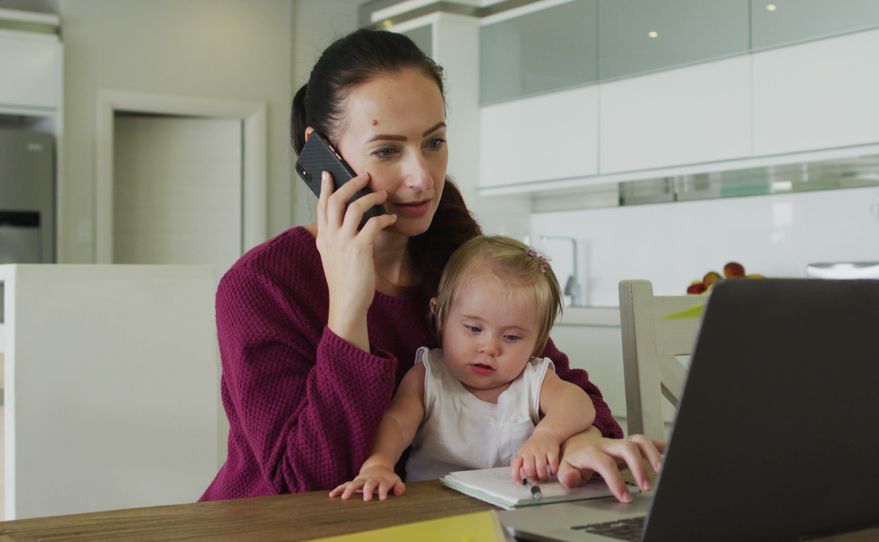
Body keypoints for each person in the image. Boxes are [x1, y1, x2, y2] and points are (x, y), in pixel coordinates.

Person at [200, 28, 662, 504]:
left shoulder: (460, 252)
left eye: (434, 142)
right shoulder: (260, 286)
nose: (422, 177)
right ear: (322, 153)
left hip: (429, 526)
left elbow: (554, 382)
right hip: (269, 537)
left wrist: (580, 441)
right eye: (386, 150)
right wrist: (348, 311)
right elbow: (307, 485)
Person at [330, 236, 597, 501]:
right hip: (434, 507)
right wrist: (378, 466)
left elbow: (577, 403)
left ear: (538, 342)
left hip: (516, 509)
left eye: (512, 337)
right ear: (440, 316)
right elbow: (397, 424)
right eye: (473, 328)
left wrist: (547, 435)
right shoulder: (428, 377)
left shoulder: (532, 379)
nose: (489, 347)